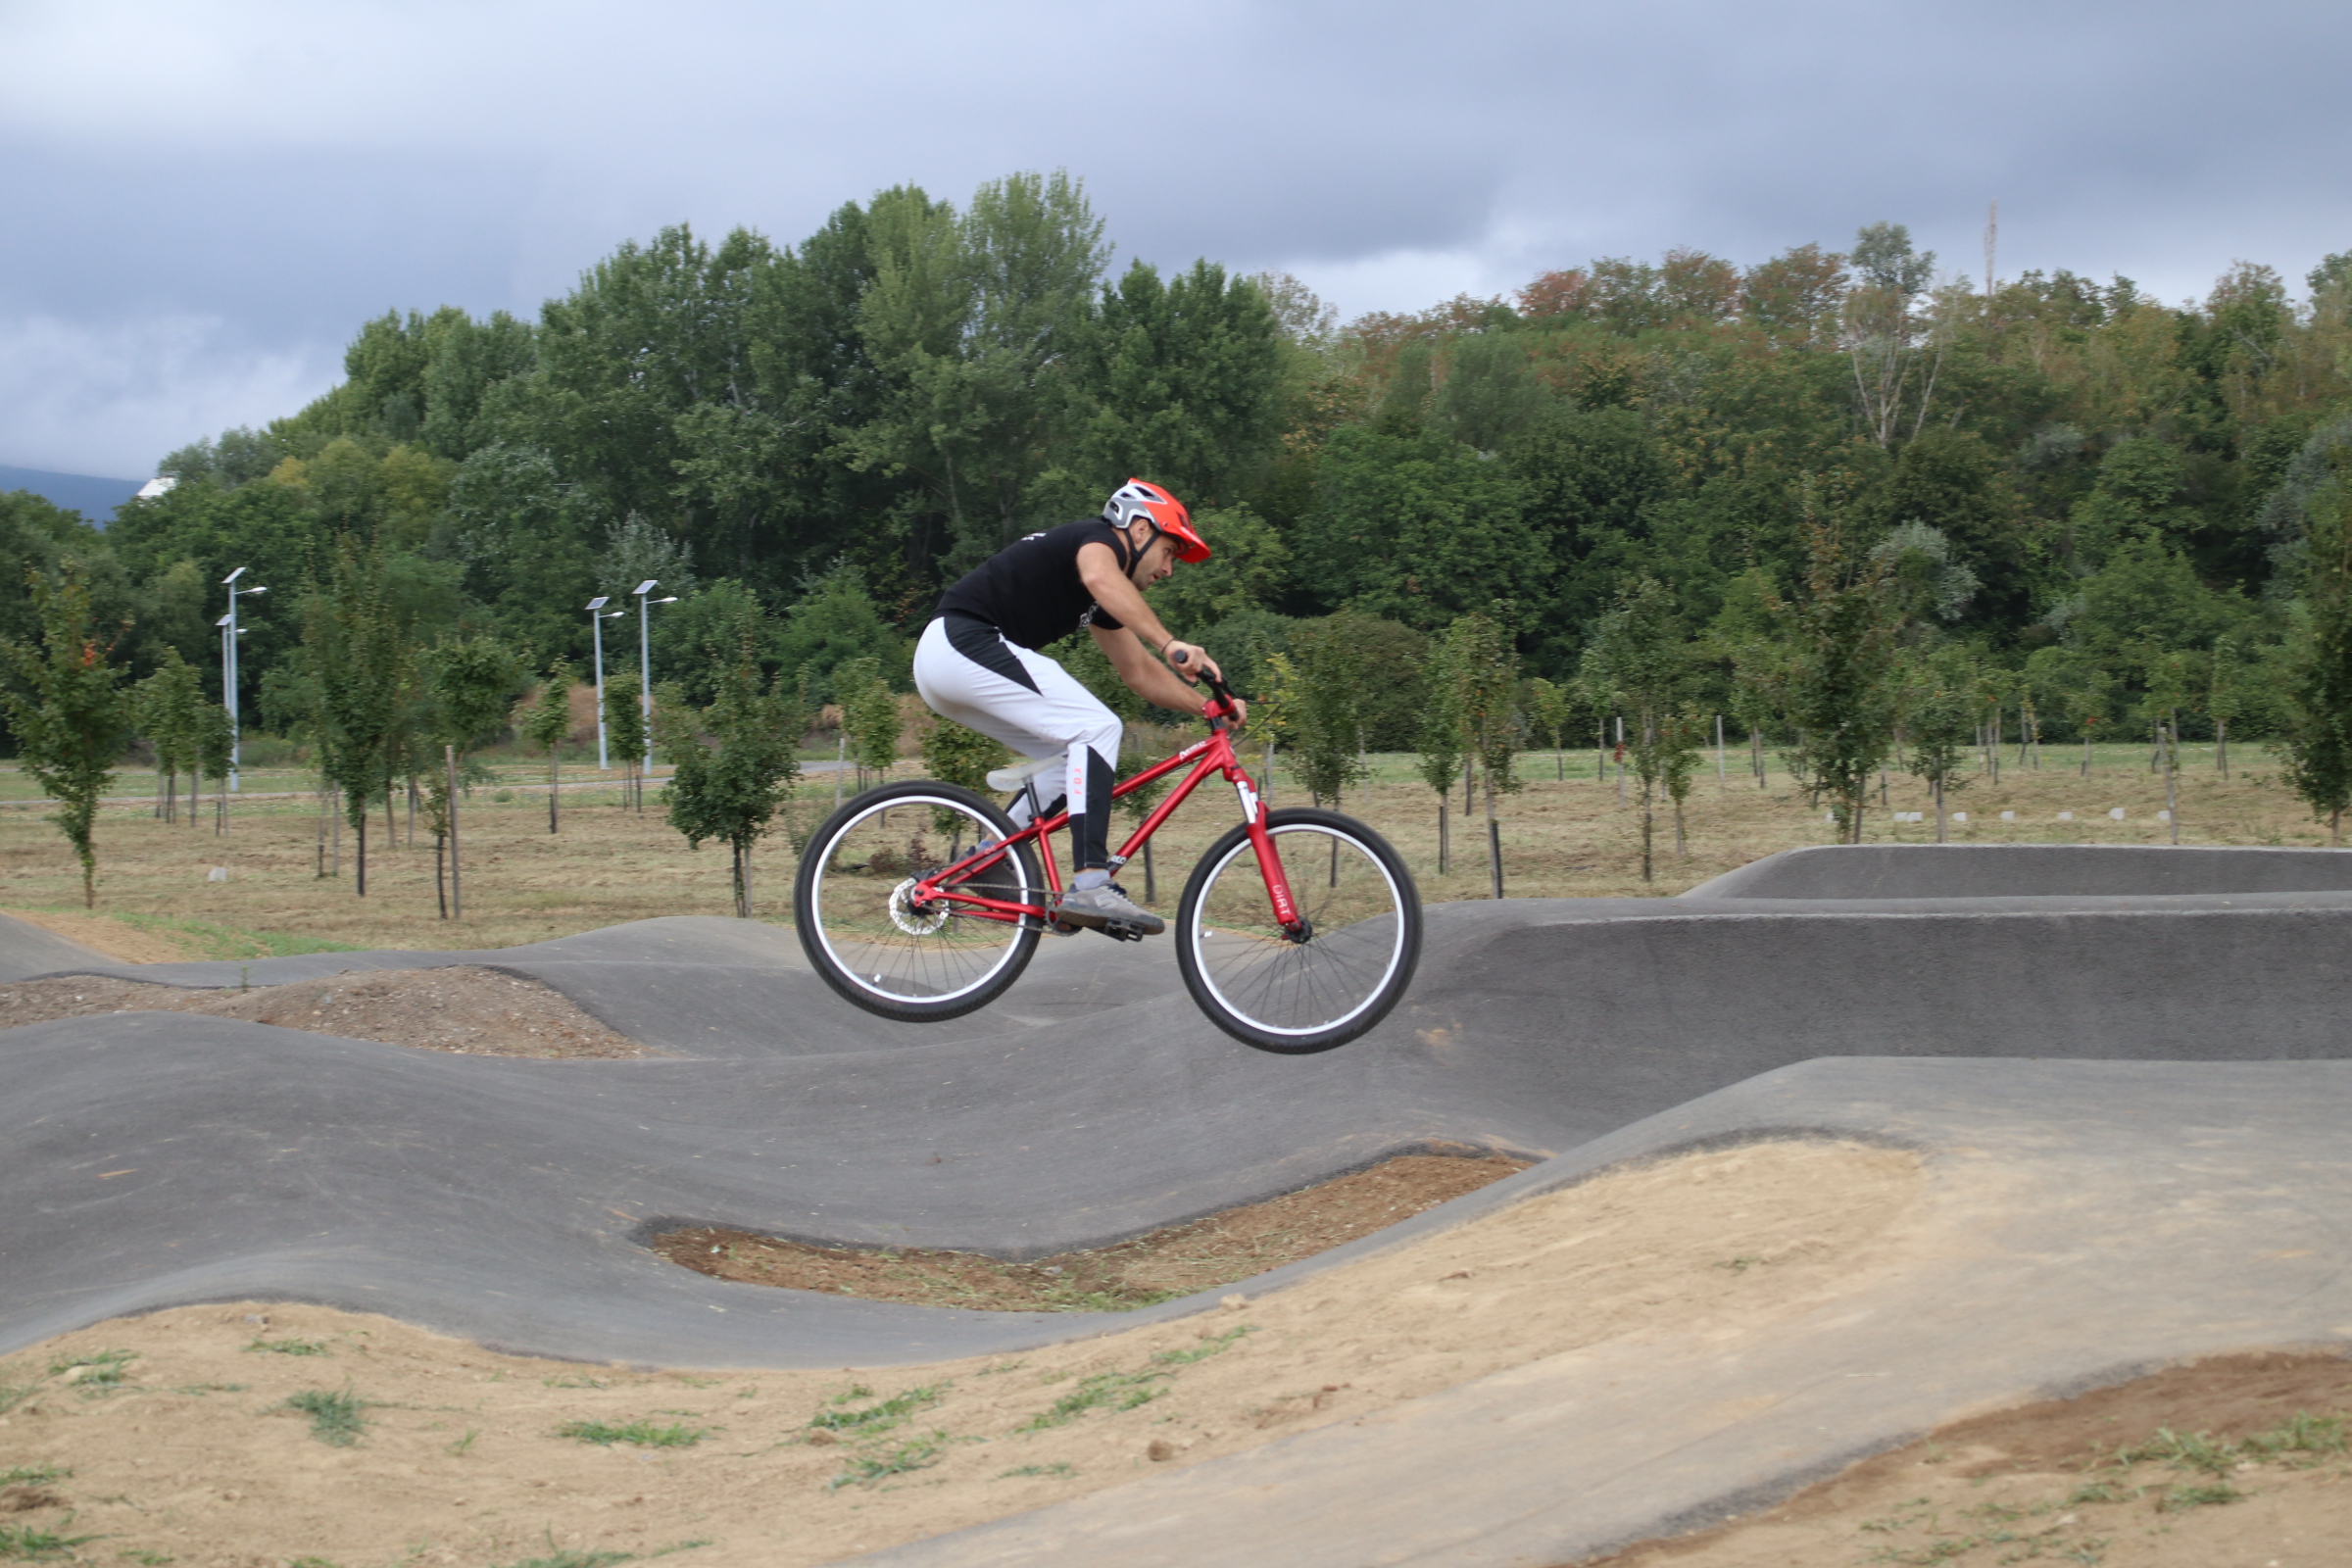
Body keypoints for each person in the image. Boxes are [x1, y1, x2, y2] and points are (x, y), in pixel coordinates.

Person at [912, 478, 1242, 936]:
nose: (1169, 570)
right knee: (1097, 726)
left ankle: (987, 858)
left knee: (1071, 758)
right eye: (1169, 551)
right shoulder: (1097, 540)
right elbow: (1100, 577)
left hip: (952, 663)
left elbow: (1138, 673)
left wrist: (1206, 707)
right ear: (1140, 530)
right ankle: (1090, 882)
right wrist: (1170, 643)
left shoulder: (1103, 594)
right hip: (961, 643)